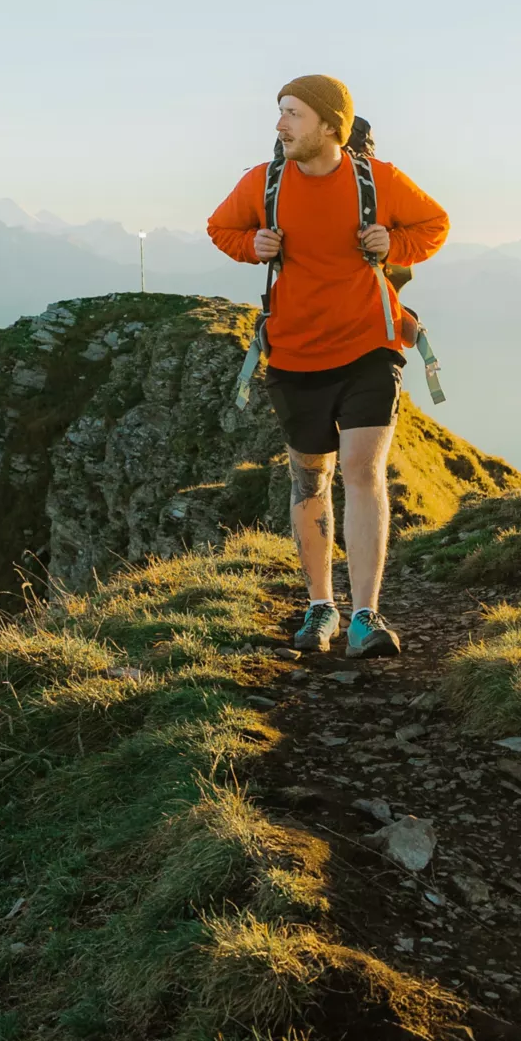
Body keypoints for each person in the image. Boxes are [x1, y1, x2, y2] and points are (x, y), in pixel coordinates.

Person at [207, 74, 449, 657]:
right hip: (294, 351)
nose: (280, 124)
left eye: (292, 113)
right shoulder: (263, 184)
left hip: (371, 345)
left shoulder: (378, 181)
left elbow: (434, 225)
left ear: (328, 125)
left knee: (362, 471)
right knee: (310, 477)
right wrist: (254, 245)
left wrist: (392, 244)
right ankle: (322, 607)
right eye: (280, 112)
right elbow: (221, 228)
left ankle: (366, 614)